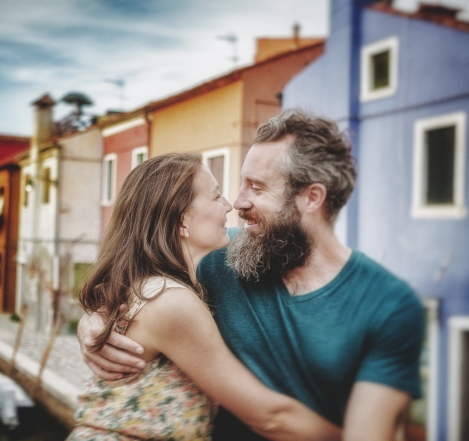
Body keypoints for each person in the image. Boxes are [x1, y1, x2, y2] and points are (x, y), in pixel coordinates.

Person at [79, 109, 424, 440]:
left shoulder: (386, 304)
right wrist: (94, 323)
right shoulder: (217, 257)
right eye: (236, 187)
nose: (237, 203)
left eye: (256, 189)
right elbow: (134, 284)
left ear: (311, 197)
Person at [68, 152, 340, 440]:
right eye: (216, 196)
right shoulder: (170, 300)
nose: (229, 205)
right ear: (181, 220)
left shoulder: (155, 286)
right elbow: (269, 417)